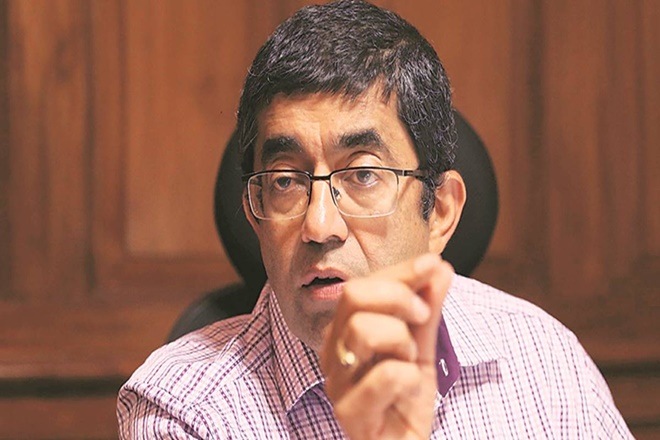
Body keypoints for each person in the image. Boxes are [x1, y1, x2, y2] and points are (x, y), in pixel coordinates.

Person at [117, 1, 632, 438]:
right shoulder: (182, 410)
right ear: (256, 216)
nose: (320, 226)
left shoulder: (542, 360)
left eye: (362, 174)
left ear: (440, 211)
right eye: (285, 181)